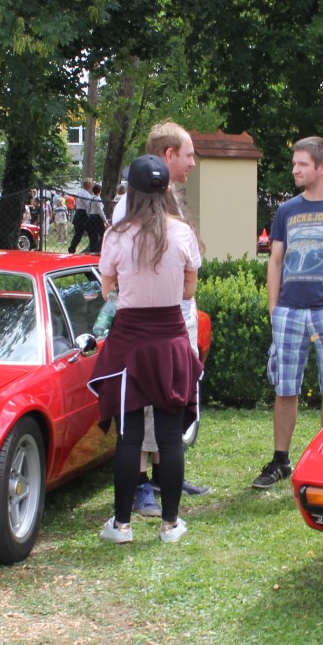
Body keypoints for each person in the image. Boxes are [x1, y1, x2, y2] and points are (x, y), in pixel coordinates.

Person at [89, 154, 202, 545]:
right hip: (170, 340)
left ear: (131, 192)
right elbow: (189, 289)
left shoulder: (116, 235)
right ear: (166, 189)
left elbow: (108, 289)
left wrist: (128, 288)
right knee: (170, 437)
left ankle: (121, 526)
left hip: (130, 344)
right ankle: (170, 525)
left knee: (130, 437)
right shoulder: (183, 232)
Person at [252, 136, 323, 489]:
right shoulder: (287, 210)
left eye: (302, 164)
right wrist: (274, 307)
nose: (295, 169)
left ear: (322, 167)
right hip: (290, 312)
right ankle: (280, 460)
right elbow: (276, 259)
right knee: (285, 388)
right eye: (294, 163)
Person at [111, 121, 210, 511]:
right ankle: (139, 487)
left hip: (174, 318)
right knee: (145, 405)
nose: (192, 163)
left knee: (169, 401)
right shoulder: (131, 207)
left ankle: (166, 475)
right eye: (188, 155)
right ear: (168, 156)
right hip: (151, 326)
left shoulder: (167, 196)